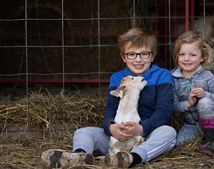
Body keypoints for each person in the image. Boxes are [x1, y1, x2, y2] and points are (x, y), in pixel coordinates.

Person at [41, 28, 176, 168]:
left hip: (146, 135)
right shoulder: (118, 78)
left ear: (152, 56)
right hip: (117, 138)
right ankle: (79, 158)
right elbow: (110, 110)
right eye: (131, 54)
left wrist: (142, 128)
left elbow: (164, 111)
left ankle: (132, 158)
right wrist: (111, 128)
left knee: (169, 133)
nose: (138, 59)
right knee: (84, 132)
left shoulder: (162, 76)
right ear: (123, 57)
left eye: (144, 54)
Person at [171, 31, 214, 156]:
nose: (186, 58)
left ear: (202, 57)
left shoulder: (207, 76)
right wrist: (188, 104)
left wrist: (206, 94)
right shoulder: (173, 78)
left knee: (205, 102)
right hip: (191, 124)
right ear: (177, 56)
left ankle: (211, 140)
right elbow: (173, 107)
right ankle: (209, 135)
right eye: (182, 54)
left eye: (192, 55)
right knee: (180, 144)